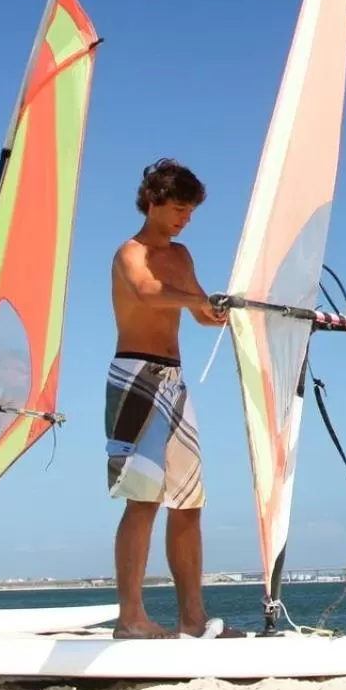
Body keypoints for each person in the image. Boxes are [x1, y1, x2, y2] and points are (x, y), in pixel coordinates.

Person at [106, 159, 235, 640]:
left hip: (175, 382)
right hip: (134, 376)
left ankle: (192, 618)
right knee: (142, 499)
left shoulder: (181, 256)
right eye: (179, 208)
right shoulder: (129, 252)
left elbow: (199, 312)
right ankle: (130, 617)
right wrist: (193, 300)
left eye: (191, 211)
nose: (185, 219)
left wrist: (217, 310)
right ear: (155, 201)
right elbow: (145, 292)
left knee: (189, 503)